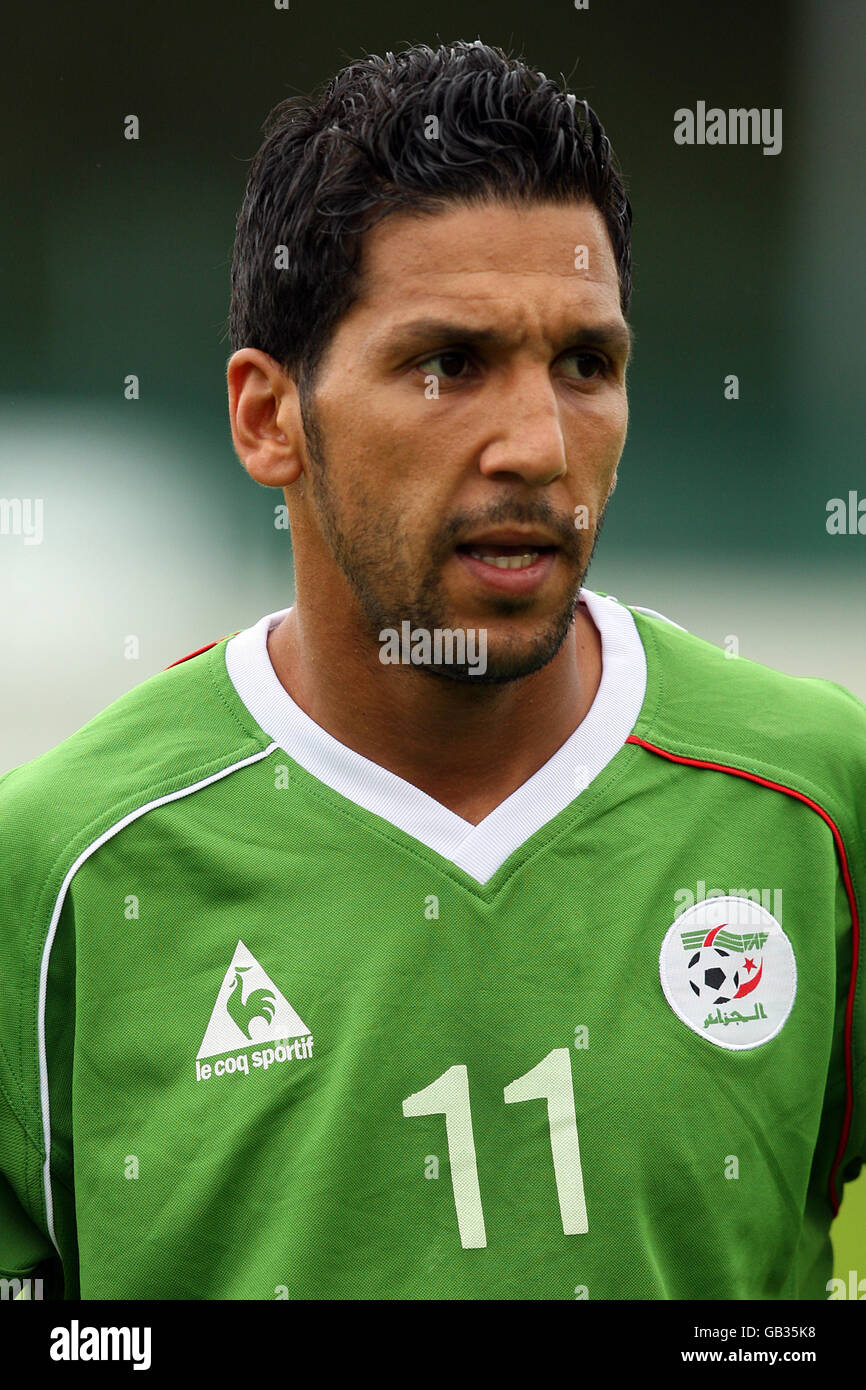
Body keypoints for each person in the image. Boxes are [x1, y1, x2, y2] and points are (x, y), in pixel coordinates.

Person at [1, 39, 863, 1301]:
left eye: (586, 365)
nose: (538, 445)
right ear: (267, 417)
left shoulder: (811, 795)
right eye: (447, 364)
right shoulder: (62, 863)